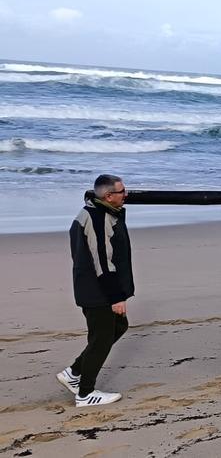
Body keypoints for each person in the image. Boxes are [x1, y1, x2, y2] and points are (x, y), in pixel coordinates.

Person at [58, 174, 133, 408]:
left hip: (94, 286)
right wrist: (116, 297)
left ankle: (74, 373)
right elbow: (102, 260)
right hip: (97, 290)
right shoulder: (96, 217)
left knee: (119, 326)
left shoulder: (102, 211)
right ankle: (85, 393)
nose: (127, 194)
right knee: (101, 339)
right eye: (122, 192)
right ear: (108, 196)